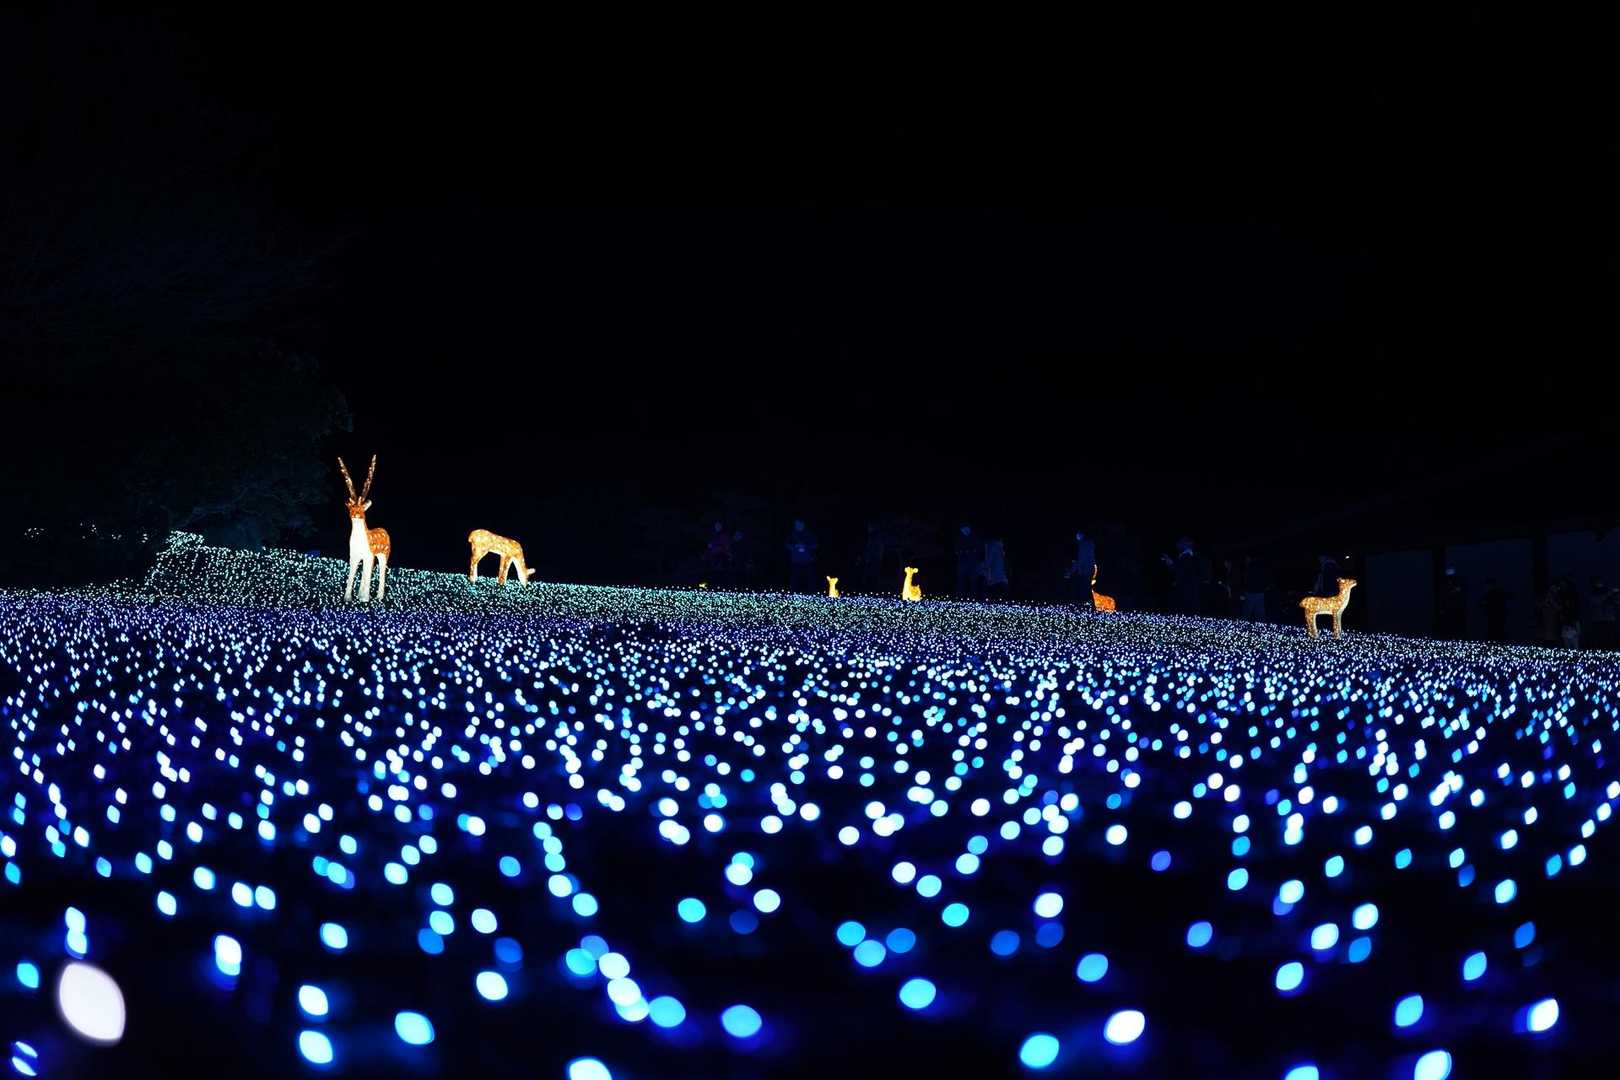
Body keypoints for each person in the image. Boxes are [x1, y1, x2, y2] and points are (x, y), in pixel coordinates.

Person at [1160, 536, 1199, 614]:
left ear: (1188, 544)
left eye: (1181, 543)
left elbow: (1180, 571)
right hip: (1187, 590)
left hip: (1186, 590)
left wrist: (1171, 564)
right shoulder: (1185, 556)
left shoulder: (1187, 557)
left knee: (1185, 611)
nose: (1177, 545)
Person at [1066, 530, 1097, 610]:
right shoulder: (1087, 544)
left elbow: (1081, 560)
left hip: (1086, 570)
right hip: (1088, 569)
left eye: (1078, 535)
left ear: (1081, 535)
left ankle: (1089, 606)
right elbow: (1082, 559)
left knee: (1085, 589)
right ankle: (1090, 606)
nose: (1076, 537)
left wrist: (1072, 571)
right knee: (1086, 588)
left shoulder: (1083, 545)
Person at [785, 519, 818, 593]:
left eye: (799, 524)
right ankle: (792, 593)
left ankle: (812, 593)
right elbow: (787, 545)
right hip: (796, 560)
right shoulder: (792, 534)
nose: (797, 526)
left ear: (803, 524)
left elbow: (815, 545)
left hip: (808, 560)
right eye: (796, 524)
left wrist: (805, 546)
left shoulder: (809, 534)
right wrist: (795, 546)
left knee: (810, 578)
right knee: (794, 578)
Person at [954, 524, 982, 599]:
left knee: (973, 581)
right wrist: (962, 552)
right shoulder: (959, 539)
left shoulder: (975, 538)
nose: (965, 530)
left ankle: (973, 597)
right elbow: (956, 550)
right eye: (963, 529)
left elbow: (978, 550)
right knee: (961, 580)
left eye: (966, 528)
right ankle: (960, 597)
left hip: (973, 563)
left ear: (969, 528)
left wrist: (969, 552)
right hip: (962, 563)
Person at [1589, 577, 1617, 650]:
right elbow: (1597, 601)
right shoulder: (1593, 593)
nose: (1600, 584)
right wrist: (1610, 593)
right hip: (1598, 620)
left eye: (1601, 582)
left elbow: (1616, 602)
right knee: (1600, 639)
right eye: (1598, 582)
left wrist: (1615, 594)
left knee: (1610, 638)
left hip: (1609, 619)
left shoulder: (1608, 592)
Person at [1240, 556, 1270, 622]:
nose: (1245, 560)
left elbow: (1245, 580)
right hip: (1259, 592)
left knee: (1247, 613)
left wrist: (1243, 592)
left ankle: (1244, 625)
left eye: (1246, 559)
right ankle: (1261, 626)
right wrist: (1264, 587)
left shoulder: (1248, 568)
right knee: (1260, 614)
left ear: (1250, 559)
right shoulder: (1261, 567)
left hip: (1250, 593)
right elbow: (1266, 578)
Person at [1481, 578, 1511, 642]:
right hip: (1495, 615)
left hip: (1496, 615)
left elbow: (1482, 603)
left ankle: (1496, 641)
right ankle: (1497, 641)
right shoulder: (1493, 593)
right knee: (1496, 629)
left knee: (1495, 629)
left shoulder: (1492, 594)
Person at [859, 522, 886, 591]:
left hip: (874, 559)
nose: (868, 527)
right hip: (872, 559)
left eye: (869, 526)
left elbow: (874, 548)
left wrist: (870, 557)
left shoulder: (875, 537)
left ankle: (871, 589)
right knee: (870, 575)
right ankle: (869, 589)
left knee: (872, 575)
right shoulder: (872, 536)